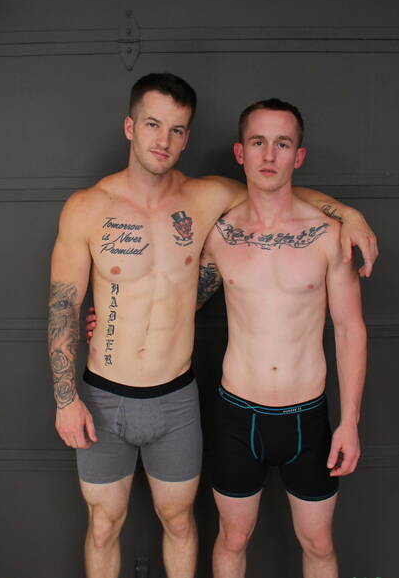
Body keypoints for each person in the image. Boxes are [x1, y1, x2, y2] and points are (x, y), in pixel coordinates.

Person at [48, 73, 376, 578]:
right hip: (116, 394)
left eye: (177, 129)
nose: (164, 140)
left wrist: (347, 213)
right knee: (105, 526)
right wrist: (65, 398)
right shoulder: (92, 208)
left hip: (190, 398)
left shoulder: (207, 199)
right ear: (130, 127)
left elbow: (274, 187)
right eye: (153, 125)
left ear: (187, 137)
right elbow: (63, 306)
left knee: (187, 524)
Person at [196, 98, 367, 578]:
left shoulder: (329, 235)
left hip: (306, 417)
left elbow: (350, 329)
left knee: (318, 543)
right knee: (232, 538)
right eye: (258, 142)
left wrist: (350, 422)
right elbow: (179, 301)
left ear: (299, 156)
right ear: (240, 152)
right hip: (237, 414)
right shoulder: (219, 234)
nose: (269, 155)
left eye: (283, 144)